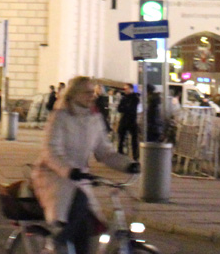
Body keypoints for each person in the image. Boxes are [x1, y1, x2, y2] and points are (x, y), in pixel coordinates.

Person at [32, 76, 139, 254]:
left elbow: (105, 152)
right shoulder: (60, 116)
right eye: (87, 92)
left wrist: (128, 165)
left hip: (78, 178)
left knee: (85, 231)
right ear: (74, 94)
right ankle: (56, 242)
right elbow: (50, 151)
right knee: (79, 202)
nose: (92, 96)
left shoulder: (94, 118)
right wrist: (68, 170)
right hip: (54, 176)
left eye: (93, 92)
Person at [116, 84, 140, 160]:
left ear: (131, 89)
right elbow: (119, 108)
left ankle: (135, 155)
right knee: (121, 137)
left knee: (134, 139)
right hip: (124, 120)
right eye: (124, 89)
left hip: (132, 120)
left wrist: (125, 108)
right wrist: (125, 108)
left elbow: (131, 109)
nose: (125, 90)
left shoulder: (135, 98)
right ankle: (120, 152)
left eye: (126, 89)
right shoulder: (124, 98)